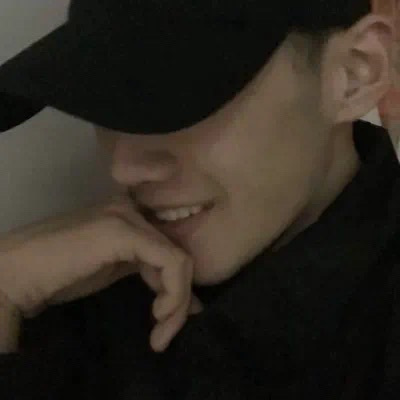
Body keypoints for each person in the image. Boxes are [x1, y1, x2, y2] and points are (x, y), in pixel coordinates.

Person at [0, 0, 399, 399]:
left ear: (354, 74)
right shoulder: (78, 307)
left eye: (178, 97)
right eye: (102, 103)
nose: (124, 168)